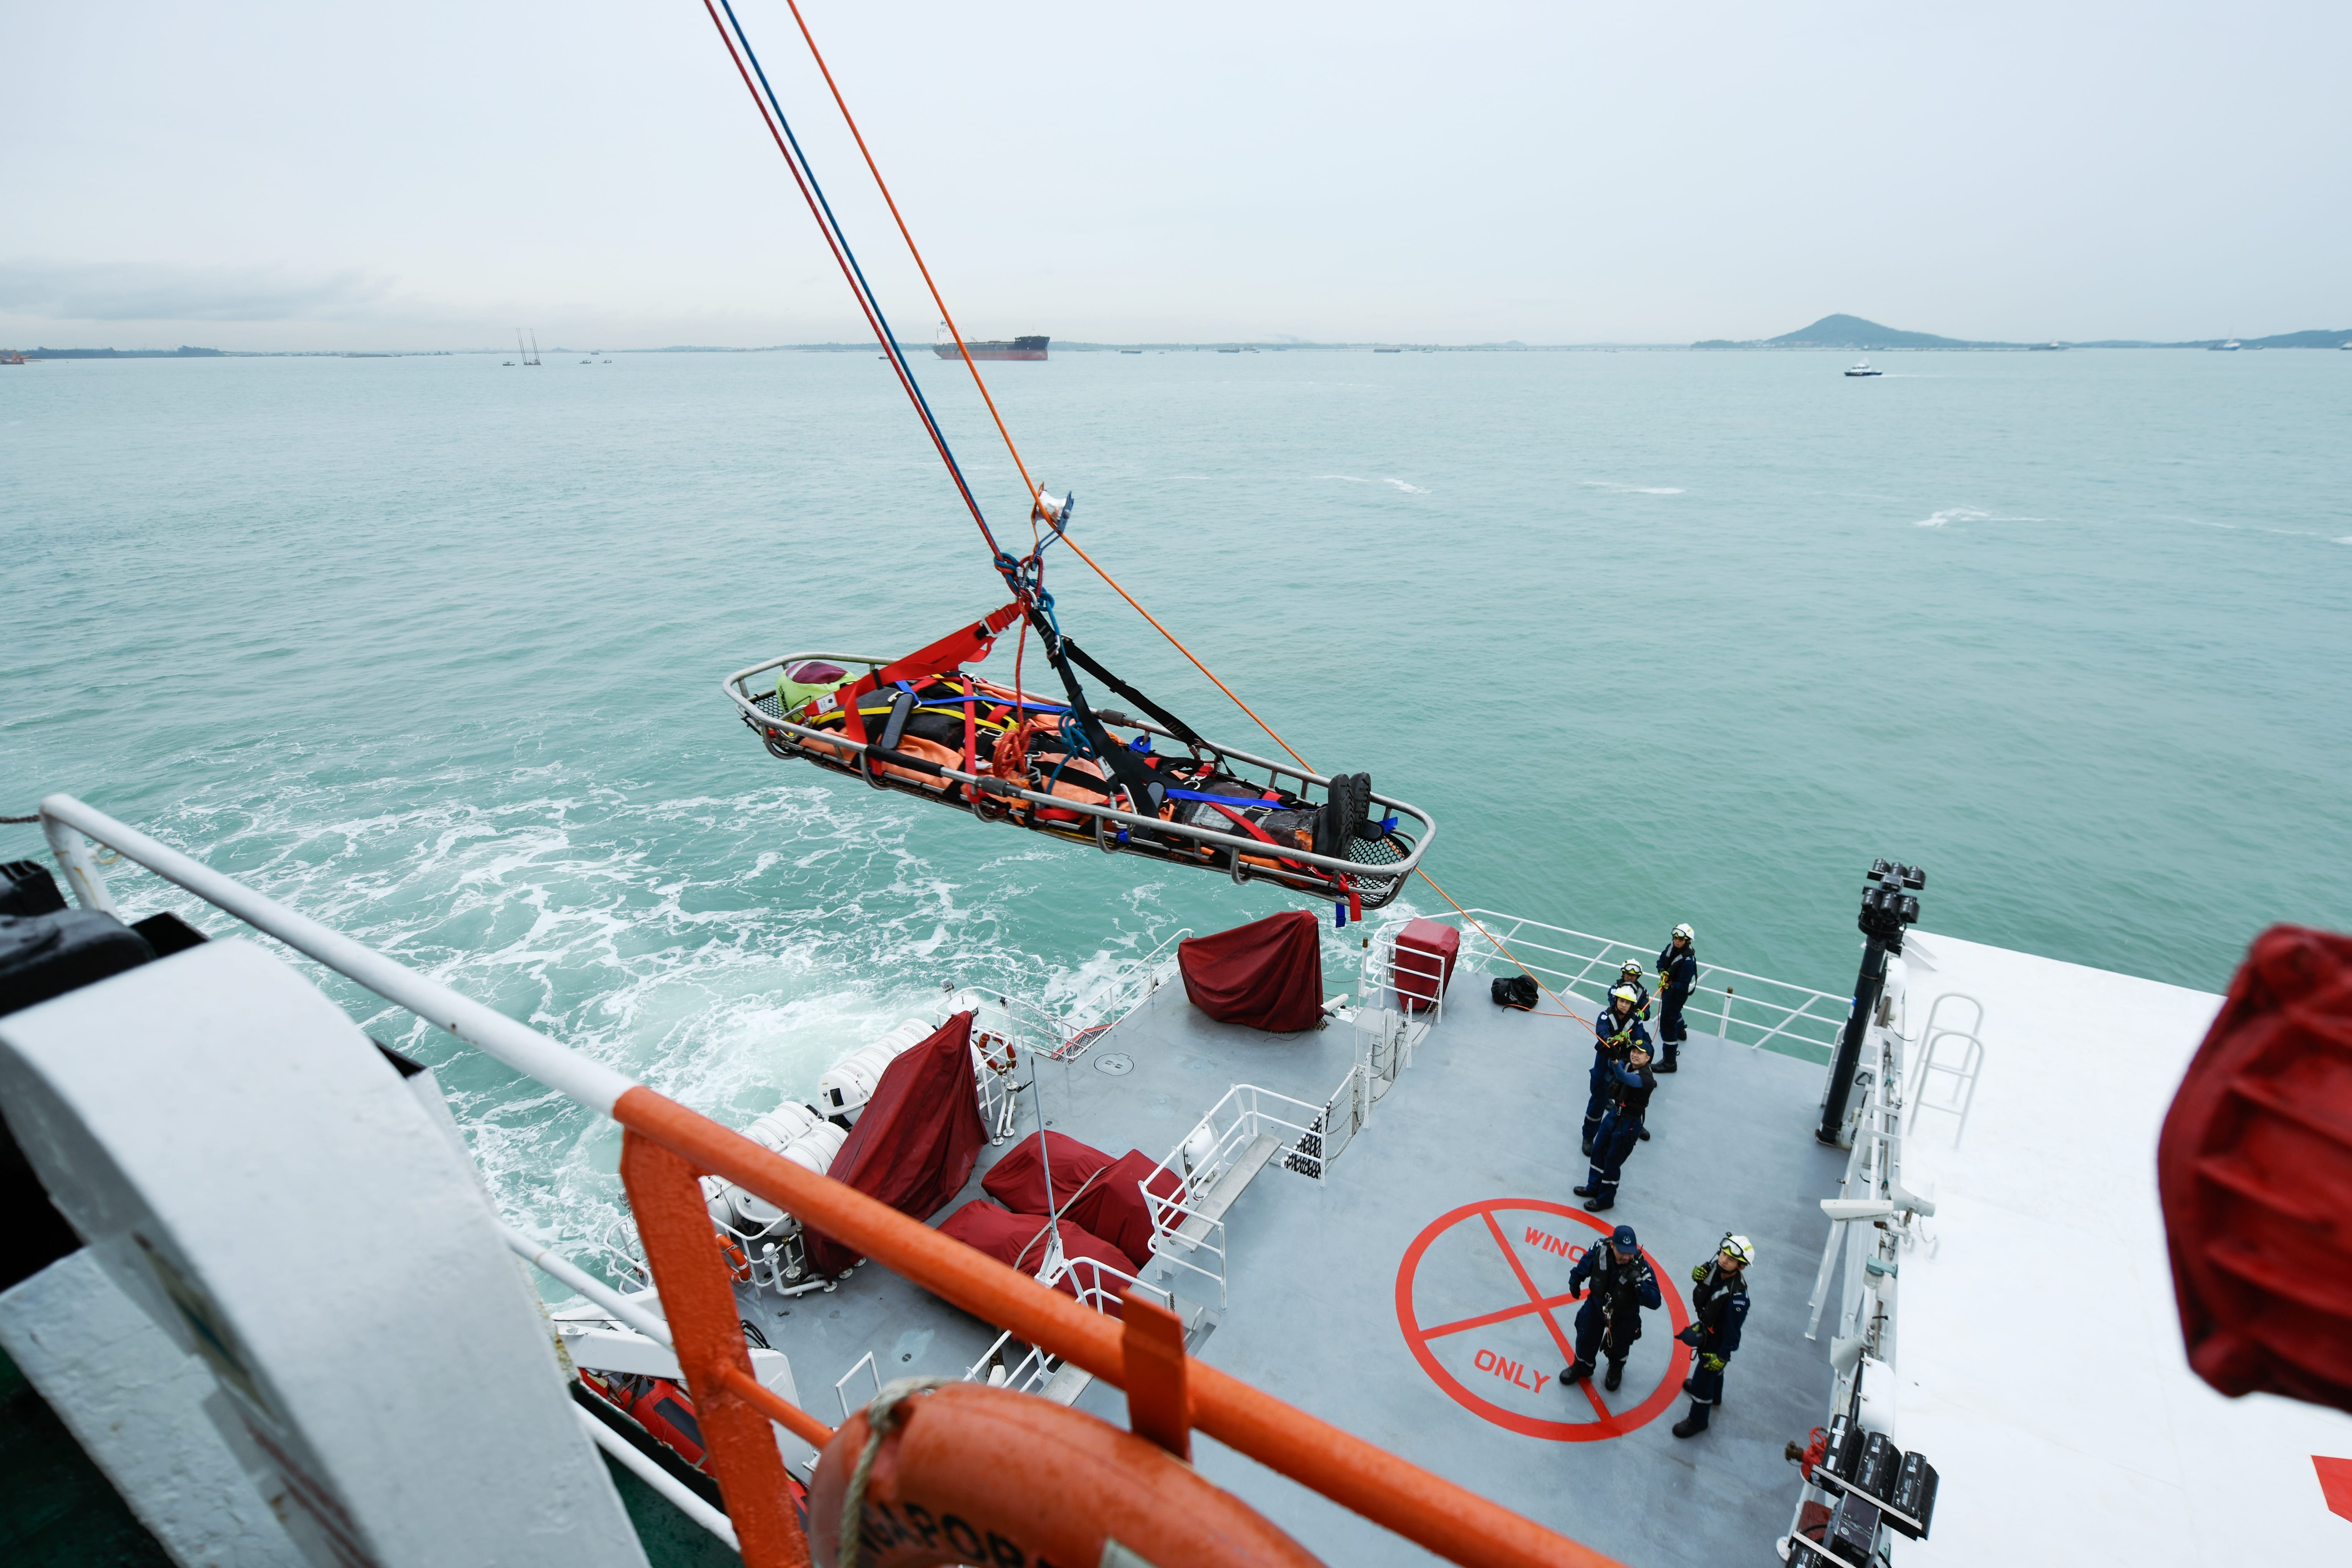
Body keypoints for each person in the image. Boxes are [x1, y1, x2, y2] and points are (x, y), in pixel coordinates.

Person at [1670, 1233, 1753, 1438]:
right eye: (1724, 1254)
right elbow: (1705, 1293)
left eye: (1731, 1259)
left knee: (1701, 1382)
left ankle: (1698, 1421)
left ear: (1741, 1267)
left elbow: (1733, 1333)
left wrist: (1723, 1356)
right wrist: (1697, 1278)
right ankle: (1716, 1396)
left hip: (1718, 1342)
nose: (1724, 1260)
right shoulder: (1716, 1270)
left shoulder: (1738, 1299)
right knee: (1713, 1375)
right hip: (1709, 1330)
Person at [1560, 1224, 1660, 1391]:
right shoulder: (1602, 1249)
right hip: (1597, 1305)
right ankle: (1582, 1366)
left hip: (1624, 1314)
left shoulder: (1642, 1268)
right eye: (1622, 1252)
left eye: (1630, 1252)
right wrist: (1575, 1280)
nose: (1627, 1257)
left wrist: (1640, 1286)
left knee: (1621, 1344)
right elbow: (1587, 1261)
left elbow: (1656, 1301)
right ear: (1613, 1245)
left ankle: (1616, 1368)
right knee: (1586, 1335)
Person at [1575, 1043, 1655, 1211]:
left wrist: (1615, 1060)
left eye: (1640, 1053)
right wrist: (1608, 1052)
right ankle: (1593, 1187)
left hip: (1629, 1124)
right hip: (1614, 1115)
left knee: (1612, 1160)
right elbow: (1613, 1066)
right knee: (1598, 1150)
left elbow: (1625, 1078)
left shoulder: (1647, 1079)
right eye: (1633, 1050)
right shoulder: (1627, 1064)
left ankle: (1605, 1199)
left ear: (1648, 1059)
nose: (1634, 1054)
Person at [1581, 986, 1651, 1158]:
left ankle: (1631, 1125)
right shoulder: (1605, 1016)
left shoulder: (1635, 1020)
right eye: (1622, 1001)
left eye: (1628, 1003)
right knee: (1599, 1099)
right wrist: (1611, 1044)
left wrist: (1631, 1047)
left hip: (1626, 1063)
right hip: (1605, 1063)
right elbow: (1602, 1032)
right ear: (1616, 1001)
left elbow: (1639, 1038)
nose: (1624, 1005)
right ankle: (1589, 1136)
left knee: (1630, 1099)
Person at [1654, 923, 1699, 1074]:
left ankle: (1670, 1062)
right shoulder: (1671, 948)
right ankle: (1681, 1032)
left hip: (1676, 994)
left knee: (1667, 1025)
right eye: (1675, 938)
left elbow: (1683, 984)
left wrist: (1669, 986)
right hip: (1669, 992)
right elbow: (1661, 961)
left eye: (1680, 939)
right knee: (1674, 1012)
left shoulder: (1688, 962)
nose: (1677, 941)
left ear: (1688, 941)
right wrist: (1662, 972)